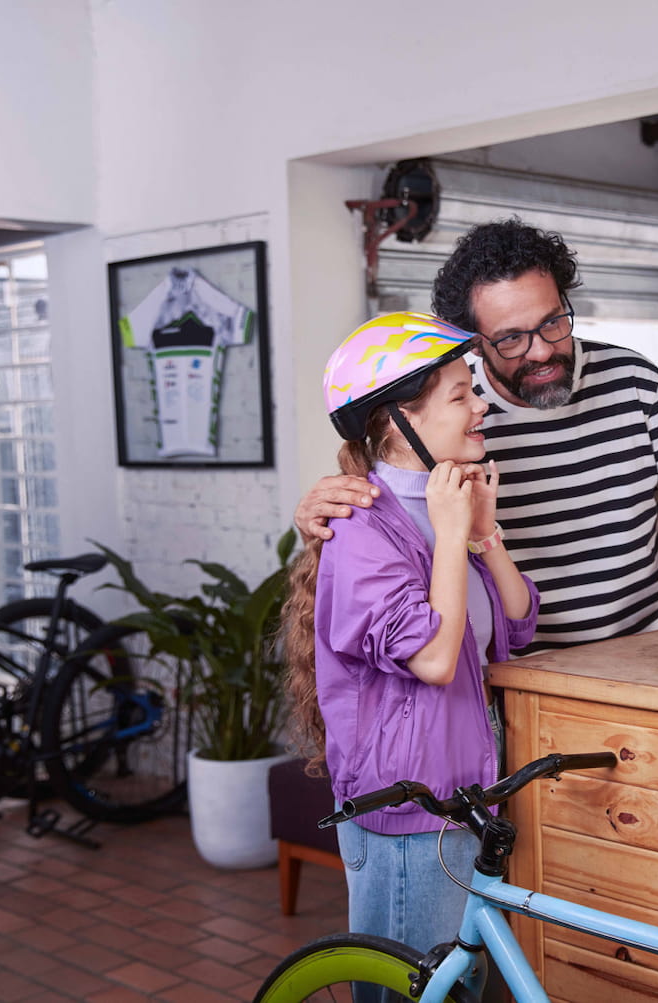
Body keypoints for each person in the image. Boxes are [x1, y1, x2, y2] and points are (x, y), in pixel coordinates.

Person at [295, 218, 658, 651]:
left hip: (653, 648)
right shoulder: (453, 416)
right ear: (472, 340)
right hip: (528, 664)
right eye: (512, 338)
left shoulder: (634, 381)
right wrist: (324, 511)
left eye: (553, 323)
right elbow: (398, 500)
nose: (540, 351)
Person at [280, 312, 539, 972]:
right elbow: (432, 656)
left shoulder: (443, 500)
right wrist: (453, 536)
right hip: (410, 810)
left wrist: (484, 534)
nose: (482, 404)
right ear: (400, 422)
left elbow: (515, 624)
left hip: (467, 793)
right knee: (415, 986)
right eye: (461, 395)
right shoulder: (363, 527)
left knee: (458, 983)